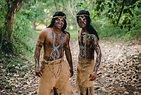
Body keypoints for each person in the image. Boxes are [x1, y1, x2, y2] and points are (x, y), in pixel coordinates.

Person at [34, 11, 74, 95]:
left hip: (61, 65)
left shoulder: (66, 35)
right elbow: (38, 48)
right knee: (44, 92)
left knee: (63, 91)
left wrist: (71, 67)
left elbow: (67, 50)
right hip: (48, 66)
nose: (60, 22)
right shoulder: (45, 32)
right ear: (53, 20)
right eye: (58, 20)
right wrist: (37, 66)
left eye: (62, 20)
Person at [76, 10, 102, 95]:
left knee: (87, 88)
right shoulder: (79, 32)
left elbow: (99, 53)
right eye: (79, 19)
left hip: (88, 64)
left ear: (88, 20)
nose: (82, 21)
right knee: (81, 87)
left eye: (84, 19)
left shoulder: (92, 35)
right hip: (80, 64)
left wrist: (95, 71)